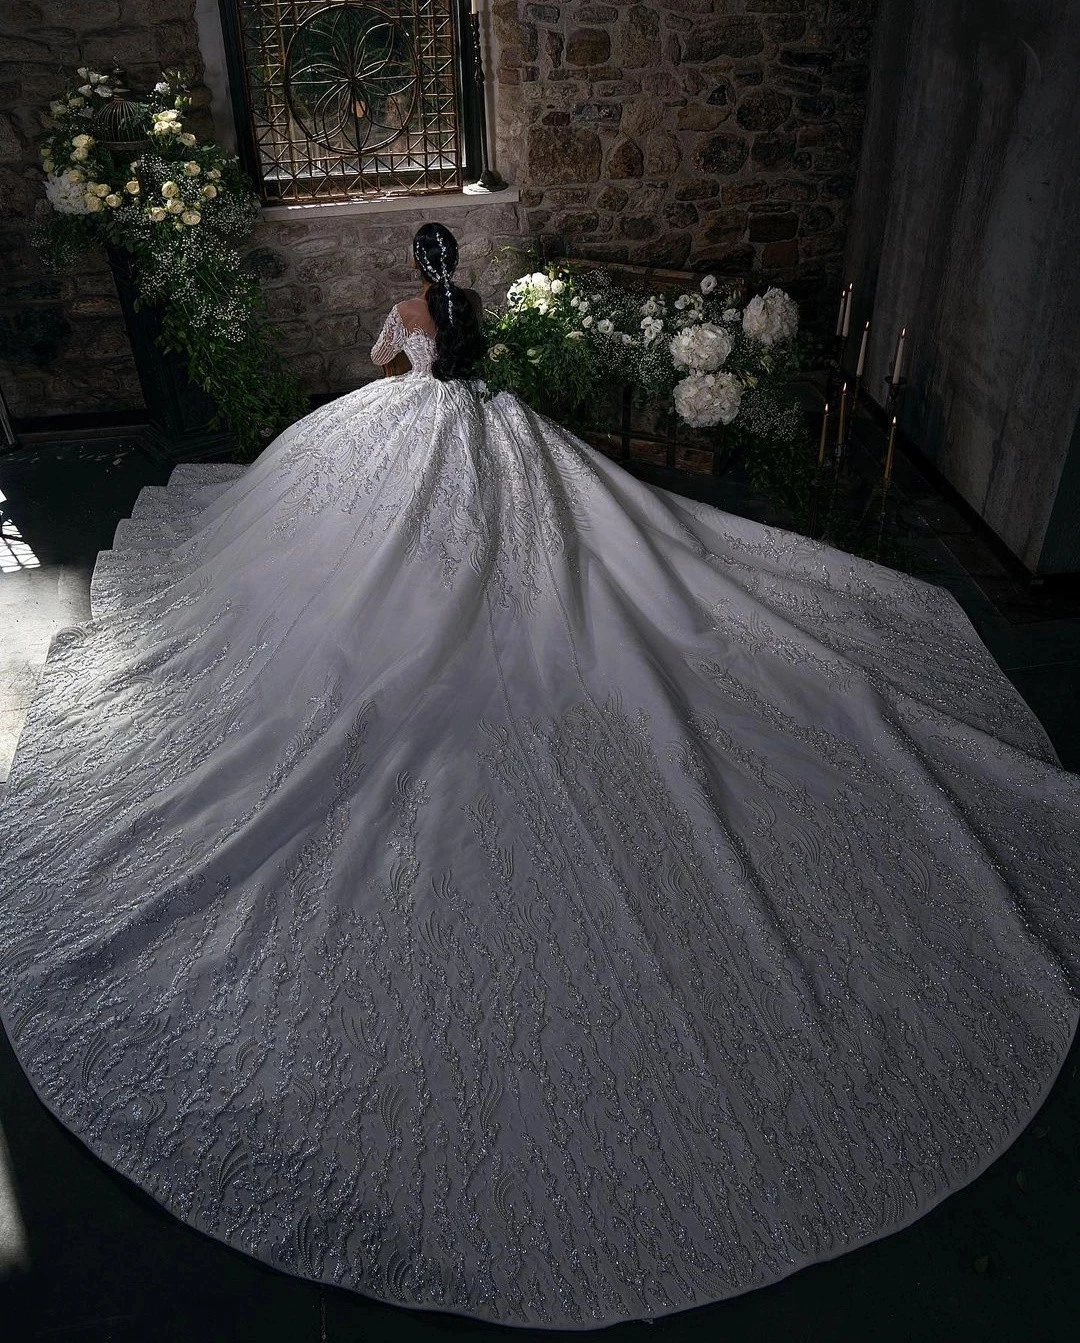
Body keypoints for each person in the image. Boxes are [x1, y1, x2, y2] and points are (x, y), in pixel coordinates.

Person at [0, 221, 1077, 1331]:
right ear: (460, 268)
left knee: (362, 556)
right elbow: (474, 376)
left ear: (418, 273)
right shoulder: (475, 316)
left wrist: (399, 361)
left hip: (407, 436)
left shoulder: (412, 317)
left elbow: (384, 370)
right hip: (491, 437)